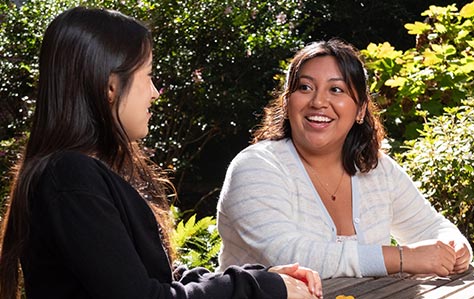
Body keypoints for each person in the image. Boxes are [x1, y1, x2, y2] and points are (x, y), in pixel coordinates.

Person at [0, 7, 323, 299]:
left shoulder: (86, 171)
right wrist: (261, 287)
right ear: (109, 87)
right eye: (149, 76)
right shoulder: (70, 178)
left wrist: (263, 277)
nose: (155, 93)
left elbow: (158, 276)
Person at [216, 39, 473, 279]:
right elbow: (292, 258)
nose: (318, 101)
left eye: (336, 89)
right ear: (287, 103)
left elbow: (431, 227)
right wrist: (404, 258)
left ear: (360, 110)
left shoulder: (376, 169)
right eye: (305, 87)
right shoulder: (256, 167)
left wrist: (454, 247)